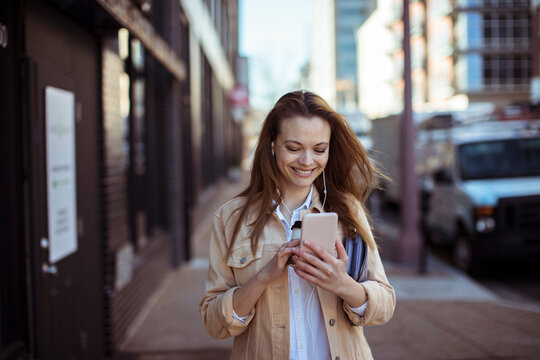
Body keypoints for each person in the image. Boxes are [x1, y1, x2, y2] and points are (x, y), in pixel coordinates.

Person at [200, 91, 395, 359]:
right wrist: (262, 278)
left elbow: (384, 306)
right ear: (272, 145)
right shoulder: (230, 218)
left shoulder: (348, 211)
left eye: (319, 150)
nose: (306, 161)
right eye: (293, 148)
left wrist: (343, 284)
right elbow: (214, 323)